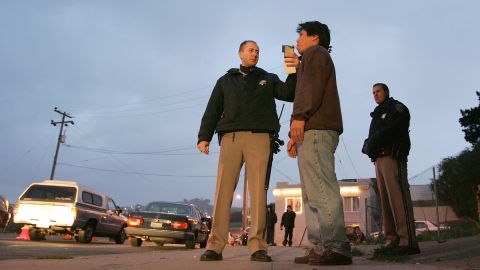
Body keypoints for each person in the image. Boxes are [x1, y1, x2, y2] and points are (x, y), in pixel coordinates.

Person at [197, 40, 297, 262]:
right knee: (223, 191)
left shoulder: (268, 78)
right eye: (251, 50)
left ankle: (258, 247)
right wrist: (204, 137)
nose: (255, 54)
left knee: (258, 192)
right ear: (240, 53)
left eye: (258, 51)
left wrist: (293, 69)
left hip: (260, 136)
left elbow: (288, 93)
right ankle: (215, 245)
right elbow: (212, 109)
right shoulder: (225, 81)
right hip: (230, 137)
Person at [286, 21, 353, 265]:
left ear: (314, 37)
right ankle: (320, 246)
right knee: (311, 193)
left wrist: (299, 117)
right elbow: (305, 89)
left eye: (301, 35)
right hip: (311, 129)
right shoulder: (309, 59)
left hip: (317, 128)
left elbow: (310, 91)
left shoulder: (316, 53)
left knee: (322, 189)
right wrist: (295, 135)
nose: (297, 41)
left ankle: (337, 247)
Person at [361, 83, 420, 255]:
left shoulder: (397, 108)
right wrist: (367, 145)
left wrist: (371, 142)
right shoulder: (377, 114)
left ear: (386, 92)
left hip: (392, 157)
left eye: (378, 91)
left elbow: (390, 131)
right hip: (378, 159)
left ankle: (408, 241)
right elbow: (372, 137)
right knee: (385, 201)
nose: (375, 94)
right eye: (373, 92)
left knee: (398, 198)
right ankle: (392, 239)